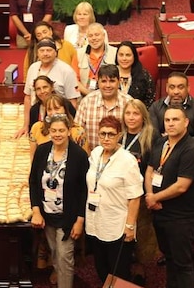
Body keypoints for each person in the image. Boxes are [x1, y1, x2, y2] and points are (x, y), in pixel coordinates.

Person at [144, 105, 194, 288]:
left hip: (181, 216)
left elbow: (181, 186)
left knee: (182, 263)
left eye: (175, 119)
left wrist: (155, 198)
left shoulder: (191, 149)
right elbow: (150, 170)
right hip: (159, 211)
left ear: (186, 122)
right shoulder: (161, 143)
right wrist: (150, 195)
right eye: (167, 120)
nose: (170, 124)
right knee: (168, 257)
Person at [29, 113, 89, 288]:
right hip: (47, 215)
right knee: (54, 254)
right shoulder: (42, 151)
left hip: (68, 217)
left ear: (69, 131)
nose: (57, 134)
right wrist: (36, 210)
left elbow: (84, 190)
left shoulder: (79, 156)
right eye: (54, 130)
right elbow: (33, 181)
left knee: (64, 258)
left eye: (61, 130)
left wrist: (80, 220)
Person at [85, 116, 143, 283]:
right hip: (95, 222)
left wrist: (130, 227)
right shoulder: (95, 153)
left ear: (119, 135)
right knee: (101, 269)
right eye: (102, 134)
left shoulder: (127, 160)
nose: (106, 138)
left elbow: (135, 197)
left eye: (111, 134)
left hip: (117, 226)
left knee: (119, 273)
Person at [121, 99, 160, 285]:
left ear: (143, 116)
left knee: (141, 233)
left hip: (141, 194)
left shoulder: (152, 136)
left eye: (135, 114)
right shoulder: (119, 135)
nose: (131, 117)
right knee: (123, 232)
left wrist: (150, 194)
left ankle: (140, 268)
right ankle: (124, 266)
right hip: (119, 195)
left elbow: (155, 169)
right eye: (128, 113)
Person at [19, 39, 79, 137]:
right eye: (42, 51)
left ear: (55, 52)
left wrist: (70, 125)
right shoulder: (33, 68)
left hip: (60, 119)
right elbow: (28, 97)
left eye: (49, 50)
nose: (45, 54)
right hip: (38, 114)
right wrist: (26, 125)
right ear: (37, 53)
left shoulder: (66, 70)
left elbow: (72, 100)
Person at [149, 71, 194, 149]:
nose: (176, 92)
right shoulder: (156, 107)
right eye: (172, 87)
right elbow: (151, 134)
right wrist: (167, 143)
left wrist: (177, 142)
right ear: (167, 88)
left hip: (188, 151)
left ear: (188, 88)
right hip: (161, 150)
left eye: (180, 87)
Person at [75, 64, 130, 150]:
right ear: (98, 82)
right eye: (104, 81)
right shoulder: (86, 102)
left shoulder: (128, 103)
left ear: (119, 81)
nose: (108, 85)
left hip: (120, 158)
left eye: (112, 81)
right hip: (90, 158)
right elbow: (77, 133)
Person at [76, 23, 117, 95]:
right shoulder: (78, 54)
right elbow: (74, 80)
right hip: (85, 96)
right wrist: (89, 95)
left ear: (104, 36)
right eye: (90, 36)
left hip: (111, 94)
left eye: (97, 35)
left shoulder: (115, 52)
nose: (94, 38)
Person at [115, 41, 156, 107]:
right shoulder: (109, 74)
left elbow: (150, 101)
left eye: (128, 55)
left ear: (134, 57)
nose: (124, 58)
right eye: (121, 55)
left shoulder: (144, 76)